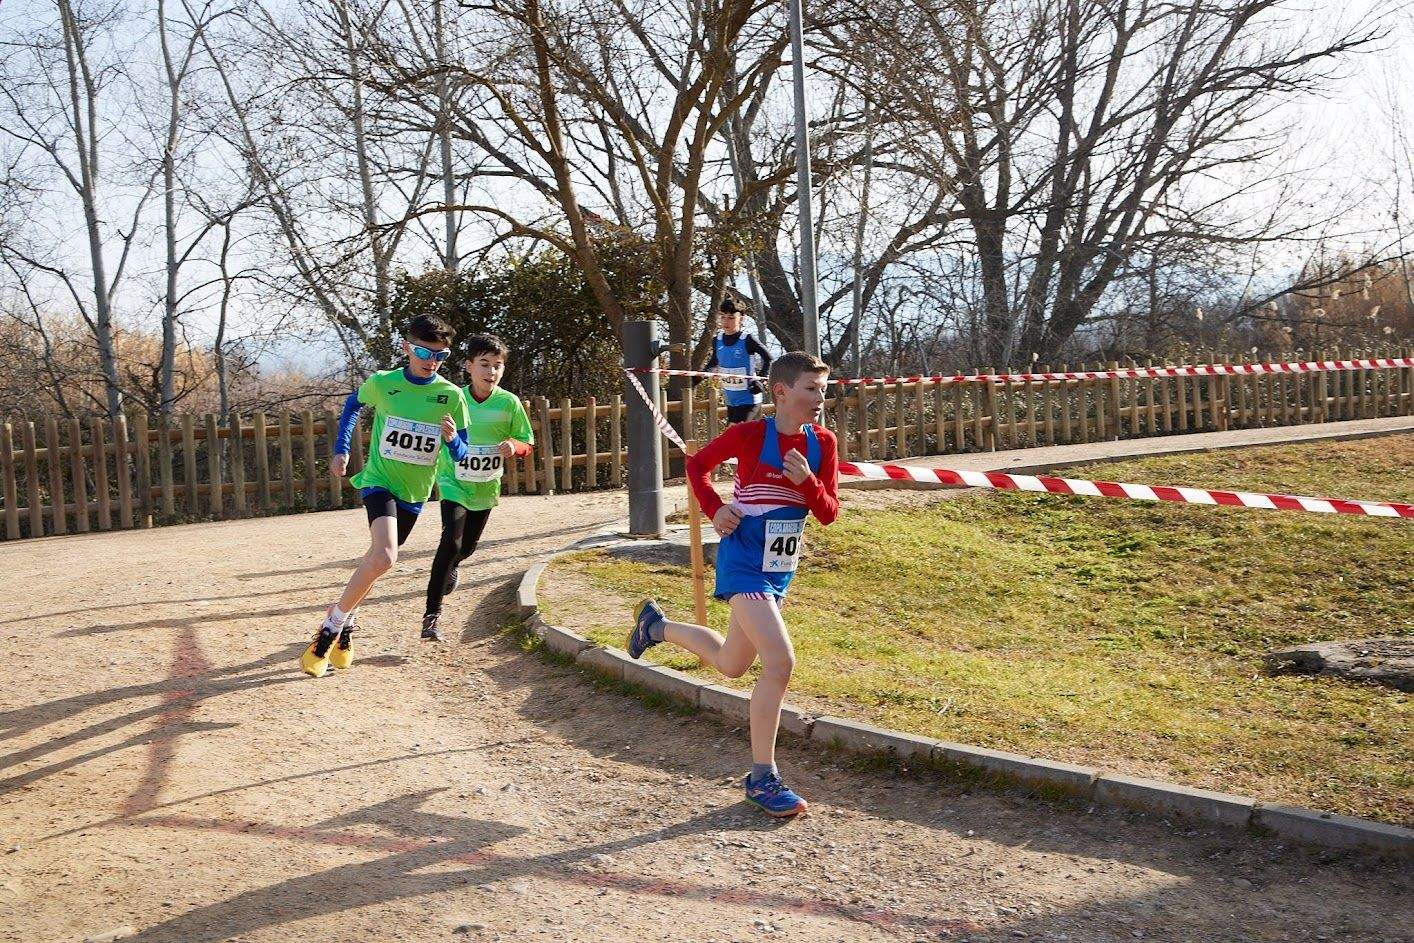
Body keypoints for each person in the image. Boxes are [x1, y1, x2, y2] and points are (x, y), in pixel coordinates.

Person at [628, 352, 838, 817]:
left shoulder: (823, 442)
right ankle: (762, 778)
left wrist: (807, 482)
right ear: (780, 392)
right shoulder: (748, 435)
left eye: (823, 389)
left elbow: (828, 513)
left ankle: (655, 627)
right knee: (780, 661)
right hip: (742, 558)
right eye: (811, 388)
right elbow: (697, 466)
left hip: (779, 567)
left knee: (731, 663)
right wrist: (715, 508)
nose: (820, 398)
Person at [302, 314, 471, 678]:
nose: (431, 361)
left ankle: (347, 622)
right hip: (379, 481)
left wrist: (451, 439)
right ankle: (329, 630)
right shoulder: (383, 383)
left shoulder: (452, 395)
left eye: (440, 356)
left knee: (376, 562)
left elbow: (462, 453)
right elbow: (353, 405)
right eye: (424, 352)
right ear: (407, 348)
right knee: (385, 556)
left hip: (415, 493)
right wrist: (341, 449)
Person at [421, 333, 534, 642]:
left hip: (485, 487)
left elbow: (527, 443)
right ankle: (432, 616)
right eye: (484, 364)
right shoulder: (454, 399)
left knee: (466, 548)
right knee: (450, 543)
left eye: (497, 365)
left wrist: (514, 446)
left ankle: (452, 567)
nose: (491, 371)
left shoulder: (509, 403)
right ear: (469, 366)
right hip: (453, 482)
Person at [696, 298, 773, 424]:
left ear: (741, 319)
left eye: (731, 318)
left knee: (734, 431)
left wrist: (760, 380)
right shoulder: (717, 340)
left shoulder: (747, 339)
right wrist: (701, 375)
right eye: (723, 317)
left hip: (749, 399)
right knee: (740, 435)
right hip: (731, 400)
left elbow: (768, 358)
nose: (726, 321)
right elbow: (714, 362)